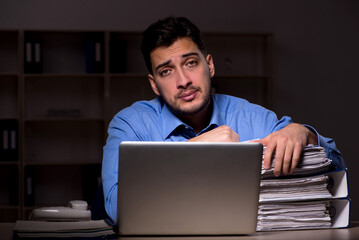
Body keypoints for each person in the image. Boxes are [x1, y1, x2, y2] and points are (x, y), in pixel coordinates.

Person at [101, 16, 346, 223]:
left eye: (191, 63)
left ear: (210, 65)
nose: (183, 80)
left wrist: (304, 133)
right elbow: (114, 209)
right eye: (166, 71)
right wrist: (194, 151)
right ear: (154, 84)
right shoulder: (130, 125)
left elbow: (335, 168)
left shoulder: (251, 117)